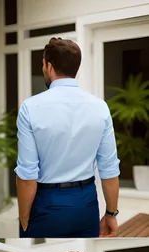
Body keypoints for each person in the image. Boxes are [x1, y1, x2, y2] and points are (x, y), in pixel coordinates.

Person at [15, 37, 120, 238]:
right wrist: (110, 213)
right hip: (86, 205)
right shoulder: (100, 107)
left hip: (46, 204)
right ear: (75, 68)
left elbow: (28, 174)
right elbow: (109, 168)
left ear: (49, 65)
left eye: (43, 64)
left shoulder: (30, 107)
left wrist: (23, 216)